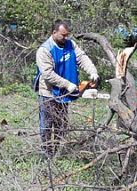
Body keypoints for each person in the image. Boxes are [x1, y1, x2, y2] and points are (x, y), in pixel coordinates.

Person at [33, 19, 99, 157]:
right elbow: (48, 74)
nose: (66, 37)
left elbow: (81, 58)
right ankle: (46, 153)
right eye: (63, 35)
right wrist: (67, 84)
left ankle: (57, 151)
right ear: (54, 33)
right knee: (46, 125)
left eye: (67, 34)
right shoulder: (44, 50)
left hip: (64, 94)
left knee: (60, 124)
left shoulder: (70, 44)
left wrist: (92, 71)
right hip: (48, 93)